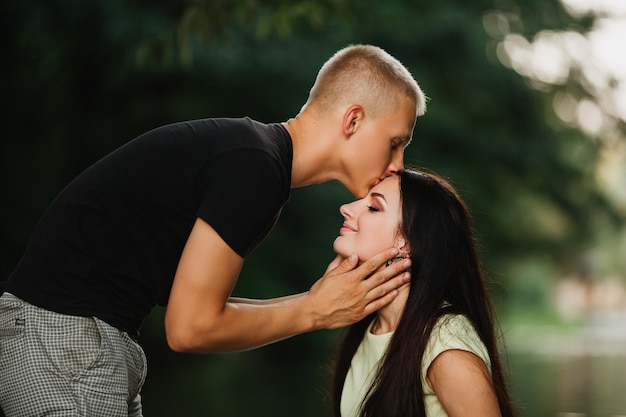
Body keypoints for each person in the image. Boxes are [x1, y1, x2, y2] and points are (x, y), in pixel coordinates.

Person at [0, 44, 426, 416]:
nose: (398, 165)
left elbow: (198, 309)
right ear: (352, 120)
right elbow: (190, 329)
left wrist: (313, 303)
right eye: (395, 142)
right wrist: (314, 311)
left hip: (79, 340)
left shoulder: (255, 160)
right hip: (64, 340)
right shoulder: (253, 170)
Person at [329, 169, 516, 417]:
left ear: (406, 243)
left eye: (373, 207)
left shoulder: (444, 342)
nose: (346, 207)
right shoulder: (371, 326)